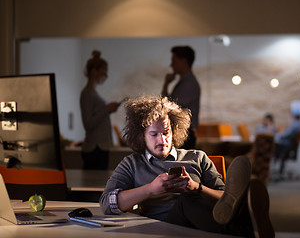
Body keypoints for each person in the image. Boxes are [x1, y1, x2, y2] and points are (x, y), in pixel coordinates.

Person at [99, 95, 274, 237]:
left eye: (166, 133)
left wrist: (196, 187)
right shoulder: (132, 164)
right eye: (154, 134)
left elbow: (225, 198)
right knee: (186, 200)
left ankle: (245, 216)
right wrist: (150, 189)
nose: (162, 140)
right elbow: (107, 203)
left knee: (223, 200)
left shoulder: (197, 157)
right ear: (141, 136)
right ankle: (249, 230)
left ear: (174, 130)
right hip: (164, 228)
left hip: (202, 225)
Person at [80, 50, 125, 170]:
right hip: (95, 149)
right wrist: (107, 109)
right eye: (104, 72)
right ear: (94, 71)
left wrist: (108, 110)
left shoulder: (93, 93)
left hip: (99, 147)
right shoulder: (87, 94)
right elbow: (88, 124)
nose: (106, 76)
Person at [161, 46, 200, 149]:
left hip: (184, 134)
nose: (171, 65)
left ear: (183, 61)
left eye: (174, 61)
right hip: (183, 133)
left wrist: (166, 84)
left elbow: (167, 107)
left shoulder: (189, 84)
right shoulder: (185, 83)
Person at [273, 109, 300, 177]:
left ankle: (273, 168)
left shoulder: (296, 125)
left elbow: (286, 135)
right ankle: (278, 170)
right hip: (289, 144)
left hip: (287, 145)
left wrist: (277, 136)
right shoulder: (299, 124)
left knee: (273, 147)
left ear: (294, 116)